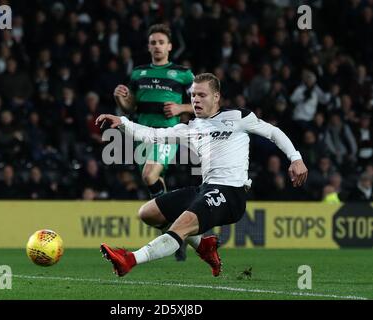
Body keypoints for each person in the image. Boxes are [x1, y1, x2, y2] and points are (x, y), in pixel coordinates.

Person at [97, 73, 308, 277]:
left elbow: (273, 132)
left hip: (231, 193)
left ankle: (129, 260)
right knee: (148, 213)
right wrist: (123, 122)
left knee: (181, 226)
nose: (195, 100)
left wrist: (295, 158)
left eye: (202, 95)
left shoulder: (238, 117)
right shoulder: (189, 128)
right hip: (205, 189)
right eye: (193, 96)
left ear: (216, 97)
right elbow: (153, 135)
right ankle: (204, 247)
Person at [113, 24, 194, 261]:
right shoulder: (139, 73)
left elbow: (206, 103)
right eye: (153, 42)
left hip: (168, 134)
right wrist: (120, 99)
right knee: (153, 180)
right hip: (143, 135)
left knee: (148, 176)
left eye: (161, 42)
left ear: (169, 46)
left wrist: (182, 107)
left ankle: (174, 233)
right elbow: (131, 107)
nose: (157, 46)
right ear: (148, 47)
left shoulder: (183, 74)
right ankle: (176, 235)